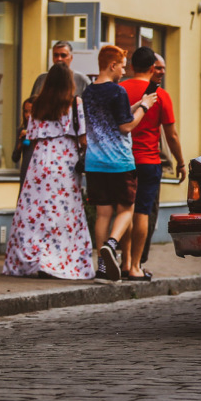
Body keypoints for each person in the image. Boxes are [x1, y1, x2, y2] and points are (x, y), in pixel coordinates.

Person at [1, 63, 93, 279]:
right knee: (63, 212)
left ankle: (32, 256)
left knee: (34, 212)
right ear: (69, 82)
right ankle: (57, 259)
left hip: (40, 158)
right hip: (65, 159)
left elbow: (31, 134)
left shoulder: (38, 103)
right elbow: (82, 138)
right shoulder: (74, 103)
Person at [82, 44, 157, 280]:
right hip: (120, 163)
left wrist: (135, 105)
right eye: (122, 67)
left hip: (95, 162)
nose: (123, 72)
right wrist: (145, 106)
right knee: (127, 209)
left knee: (103, 213)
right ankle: (112, 244)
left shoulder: (88, 92)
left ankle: (102, 266)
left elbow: (116, 117)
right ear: (112, 65)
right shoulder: (117, 91)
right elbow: (126, 126)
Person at [120, 48, 186, 280]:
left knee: (124, 210)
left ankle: (125, 262)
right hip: (148, 161)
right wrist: (181, 162)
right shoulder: (160, 95)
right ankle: (136, 266)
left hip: (122, 160)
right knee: (142, 213)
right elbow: (172, 136)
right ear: (151, 69)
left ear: (130, 67)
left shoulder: (120, 90)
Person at [11, 98, 35, 187]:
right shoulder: (22, 130)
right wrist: (20, 143)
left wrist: (32, 134)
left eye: (31, 111)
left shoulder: (44, 131)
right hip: (26, 173)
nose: (28, 115)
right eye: (26, 111)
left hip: (39, 173)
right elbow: (15, 158)